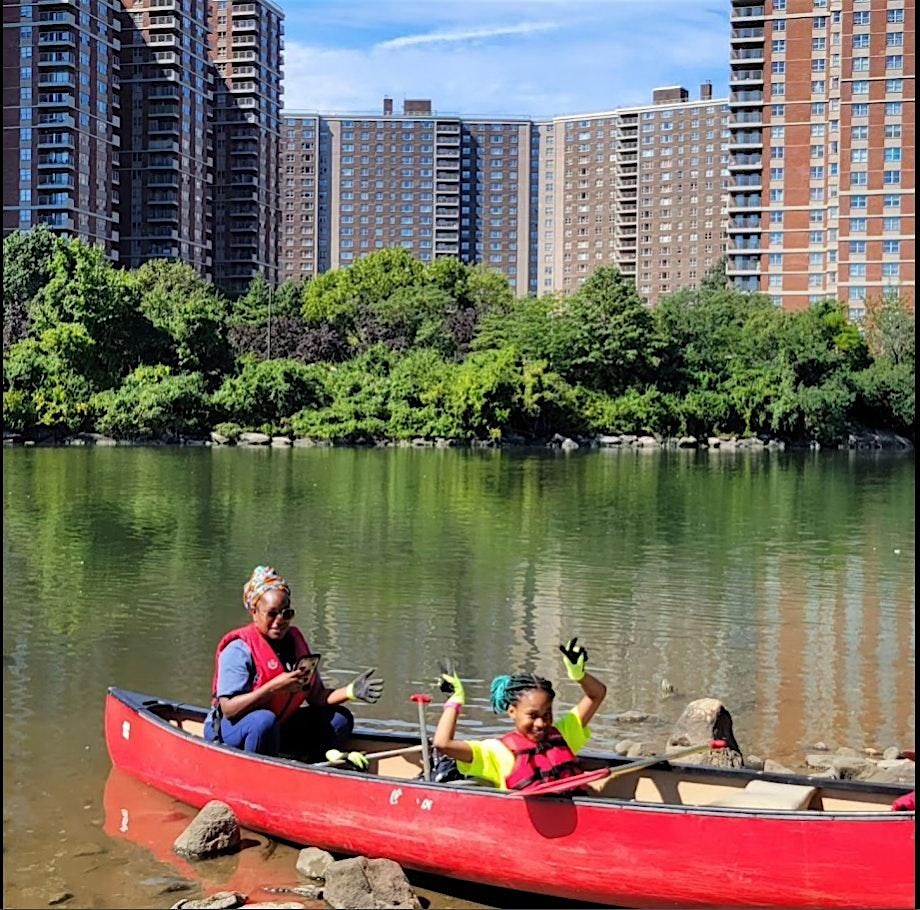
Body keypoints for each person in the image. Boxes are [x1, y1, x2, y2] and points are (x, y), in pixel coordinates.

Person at [205, 565, 384, 763]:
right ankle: (256, 773)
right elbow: (229, 709)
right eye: (272, 614)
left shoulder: (295, 641)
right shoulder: (238, 650)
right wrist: (273, 688)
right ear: (255, 611)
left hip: (278, 725)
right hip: (235, 728)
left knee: (340, 719)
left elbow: (316, 696)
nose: (280, 621)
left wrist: (351, 691)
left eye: (286, 613)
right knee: (263, 721)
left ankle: (312, 764)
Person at [432, 637, 607, 790]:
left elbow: (597, 694)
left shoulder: (563, 734)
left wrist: (579, 675)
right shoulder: (494, 751)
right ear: (512, 712)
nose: (541, 723)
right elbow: (442, 743)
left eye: (547, 715)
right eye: (532, 716)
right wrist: (455, 700)